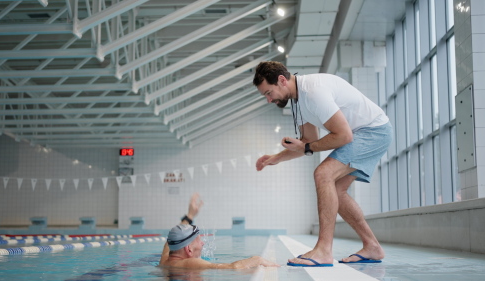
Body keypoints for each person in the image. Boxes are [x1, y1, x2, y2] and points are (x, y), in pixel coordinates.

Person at [253, 61, 393, 267]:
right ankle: (372, 246)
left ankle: (324, 250)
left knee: (323, 173)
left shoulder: (313, 92)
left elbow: (343, 136)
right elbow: (307, 142)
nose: (268, 99)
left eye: (268, 92)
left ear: (282, 80)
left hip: (373, 131)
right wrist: (276, 158)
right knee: (336, 189)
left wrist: (308, 147)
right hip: (362, 133)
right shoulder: (298, 101)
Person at [158, 193, 279, 269]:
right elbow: (233, 267)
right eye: (199, 240)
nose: (203, 243)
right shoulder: (190, 263)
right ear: (188, 249)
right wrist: (257, 259)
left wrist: (189, 216)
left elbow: (169, 242)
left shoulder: (165, 260)